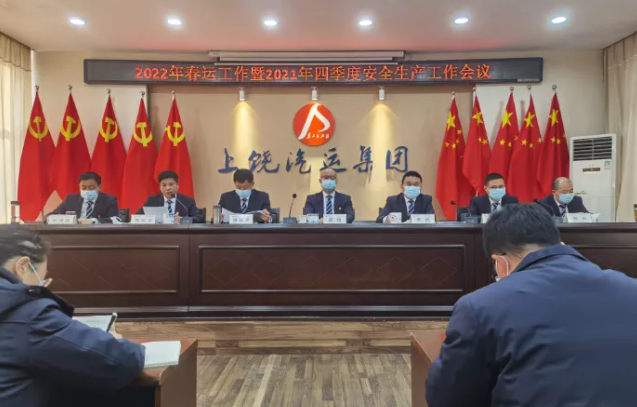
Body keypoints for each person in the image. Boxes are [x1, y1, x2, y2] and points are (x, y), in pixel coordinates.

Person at [426, 204, 637, 407]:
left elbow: (447, 398)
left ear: (500, 262)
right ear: (560, 244)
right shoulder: (631, 288)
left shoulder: (480, 306)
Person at [0, 226, 145, 407]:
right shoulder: (28, 313)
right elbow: (122, 361)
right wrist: (114, 339)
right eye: (41, 281)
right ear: (22, 266)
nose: (42, 286)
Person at [45, 172, 118, 224]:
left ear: (99, 187)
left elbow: (115, 220)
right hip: (73, 234)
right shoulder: (71, 199)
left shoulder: (109, 200)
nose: (87, 190)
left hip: (98, 235)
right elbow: (50, 216)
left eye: (91, 187)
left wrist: (93, 221)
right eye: (84, 188)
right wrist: (52, 219)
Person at [137, 170, 204, 223]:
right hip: (157, 233)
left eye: (171, 184)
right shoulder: (152, 201)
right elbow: (137, 217)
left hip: (180, 234)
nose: (168, 188)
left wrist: (181, 220)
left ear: (177, 185)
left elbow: (199, 218)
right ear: (160, 187)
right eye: (164, 185)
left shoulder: (187, 201)